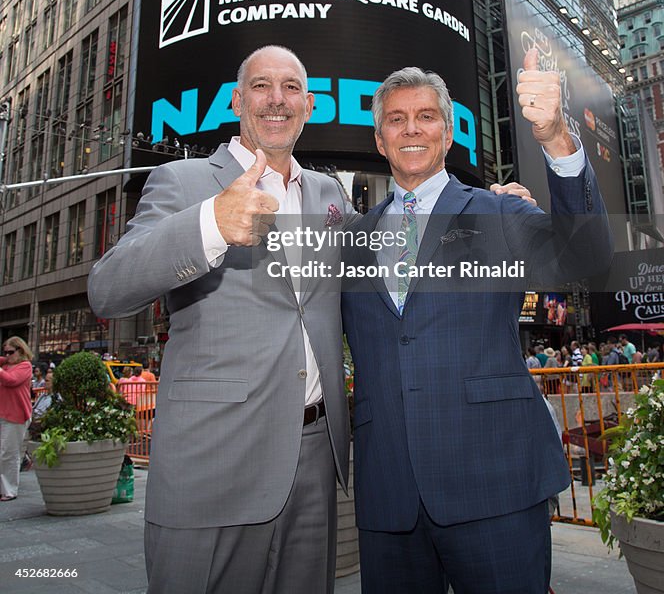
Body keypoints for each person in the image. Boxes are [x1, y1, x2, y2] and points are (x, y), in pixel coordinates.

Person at [342, 49, 613, 594]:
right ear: (379, 140)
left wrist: (557, 138)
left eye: (426, 117)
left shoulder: (501, 214)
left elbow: (586, 261)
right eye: (396, 120)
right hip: (389, 494)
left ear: (447, 135)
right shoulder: (348, 241)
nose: (411, 129)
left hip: (497, 484)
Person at [88, 46, 355, 594]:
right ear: (237, 100)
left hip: (314, 460)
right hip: (214, 460)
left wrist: (492, 213)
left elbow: (386, 263)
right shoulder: (183, 181)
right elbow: (108, 290)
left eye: (290, 87)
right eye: (261, 85)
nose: (276, 99)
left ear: (309, 104)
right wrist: (210, 223)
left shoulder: (330, 193)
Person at [0, 337, 34, 501]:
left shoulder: (25, 366)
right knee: (4, 451)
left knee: (9, 453)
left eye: (10, 352)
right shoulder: (6, 364)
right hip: (4, 413)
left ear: (20, 350)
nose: (7, 355)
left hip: (16, 415)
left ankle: (9, 490)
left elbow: (11, 380)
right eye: (5, 352)